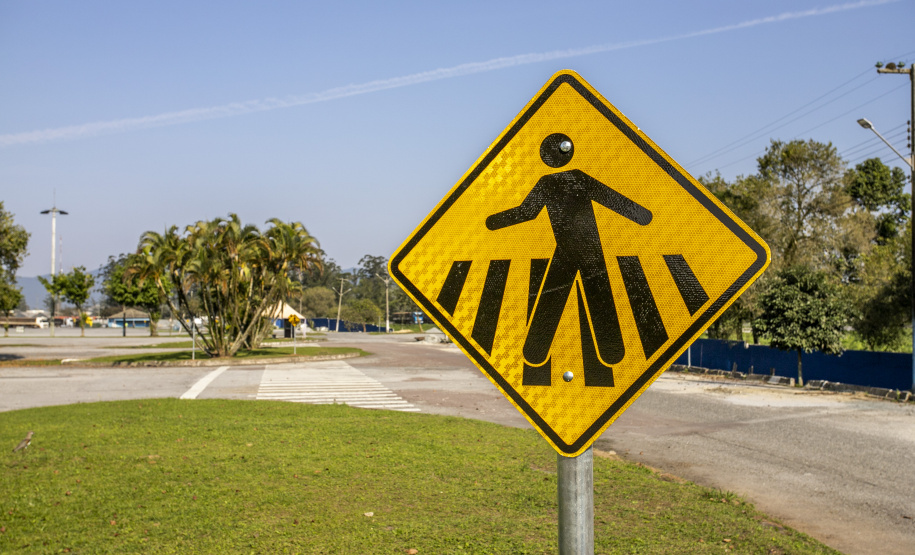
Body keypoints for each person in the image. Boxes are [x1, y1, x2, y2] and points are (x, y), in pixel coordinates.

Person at [486, 133, 652, 385]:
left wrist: (493, 222)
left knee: (557, 296)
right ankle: (610, 351)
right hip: (585, 248)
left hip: (569, 249)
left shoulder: (549, 182)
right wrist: (641, 215)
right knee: (596, 295)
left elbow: (526, 212)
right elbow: (611, 199)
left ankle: (538, 351)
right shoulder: (575, 179)